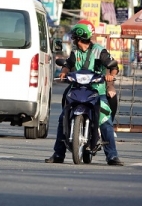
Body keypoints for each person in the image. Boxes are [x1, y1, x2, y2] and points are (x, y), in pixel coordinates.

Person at [45, 20, 123, 166]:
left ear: (79, 38)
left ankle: (112, 156)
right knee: (63, 118)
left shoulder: (99, 51)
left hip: (96, 91)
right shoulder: (75, 53)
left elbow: (113, 66)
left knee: (105, 120)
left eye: (74, 37)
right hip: (77, 89)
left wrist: (111, 75)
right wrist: (63, 72)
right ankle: (58, 154)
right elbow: (67, 65)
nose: (73, 40)